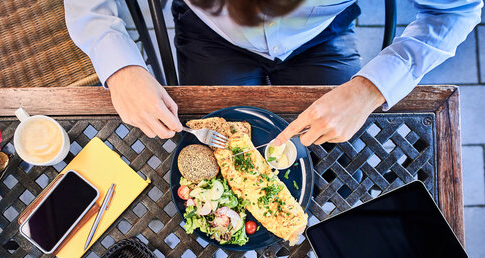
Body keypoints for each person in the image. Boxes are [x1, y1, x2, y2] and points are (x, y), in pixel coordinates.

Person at [64, 0, 482, 147]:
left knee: (333, 166)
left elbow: (459, 10)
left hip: (322, 35)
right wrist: (118, 65)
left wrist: (372, 88)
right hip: (209, 37)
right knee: (212, 156)